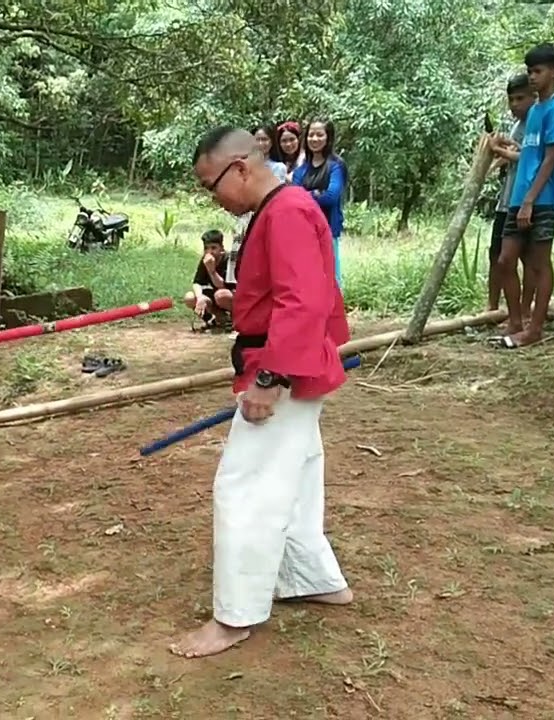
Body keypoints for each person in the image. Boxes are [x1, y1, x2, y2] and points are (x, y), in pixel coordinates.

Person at [172, 126, 352, 660]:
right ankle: (315, 579)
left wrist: (270, 380)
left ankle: (235, 616)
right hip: (284, 360)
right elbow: (280, 298)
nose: (213, 198)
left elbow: (304, 302)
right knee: (294, 477)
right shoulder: (276, 212)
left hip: (283, 369)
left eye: (211, 186)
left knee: (244, 486)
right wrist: (232, 304)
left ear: (241, 167)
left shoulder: (288, 210)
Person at [490, 44, 554, 349]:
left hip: (544, 198)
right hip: (519, 196)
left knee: (539, 263)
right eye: (530, 71)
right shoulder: (535, 111)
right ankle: (515, 321)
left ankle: (535, 328)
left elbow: (550, 159)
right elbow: (529, 153)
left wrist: (529, 200)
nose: (533, 77)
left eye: (538, 71)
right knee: (505, 259)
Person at [487, 74, 538, 319]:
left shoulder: (535, 123)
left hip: (525, 200)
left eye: (520, 98)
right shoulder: (518, 126)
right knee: (496, 255)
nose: (514, 104)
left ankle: (524, 309)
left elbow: (530, 158)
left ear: (533, 97)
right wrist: (499, 154)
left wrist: (498, 150)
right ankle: (494, 308)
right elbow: (515, 152)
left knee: (526, 257)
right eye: (511, 99)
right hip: (507, 199)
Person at [228, 125, 292, 301]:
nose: (261, 143)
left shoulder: (278, 167)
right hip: (246, 216)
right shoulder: (242, 165)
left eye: (265, 139)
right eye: (257, 139)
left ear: (272, 143)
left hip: (266, 216)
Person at [292, 120, 347, 287]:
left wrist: (305, 195)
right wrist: (315, 193)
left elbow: (331, 196)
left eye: (319, 134)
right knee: (308, 278)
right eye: (311, 135)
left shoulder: (336, 166)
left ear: (328, 137)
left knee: (330, 278)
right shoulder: (301, 170)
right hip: (304, 230)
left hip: (328, 228)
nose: (314, 139)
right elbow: (294, 198)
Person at [183, 229, 231, 328]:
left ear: (221, 248)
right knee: (190, 297)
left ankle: (234, 319)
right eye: (206, 248)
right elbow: (197, 282)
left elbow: (222, 285)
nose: (210, 252)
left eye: (213, 248)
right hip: (214, 295)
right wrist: (200, 297)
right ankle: (212, 320)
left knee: (221, 295)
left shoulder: (229, 260)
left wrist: (211, 271)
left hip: (230, 295)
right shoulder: (204, 260)